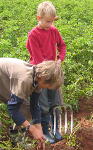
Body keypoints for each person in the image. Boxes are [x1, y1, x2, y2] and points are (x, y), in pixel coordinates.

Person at [0, 58, 64, 150]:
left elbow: (34, 106)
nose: (48, 88)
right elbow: (13, 109)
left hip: (2, 81)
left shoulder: (37, 78)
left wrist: (40, 132)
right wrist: (32, 130)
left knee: (26, 110)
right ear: (43, 77)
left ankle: (16, 142)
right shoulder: (24, 80)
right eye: (49, 85)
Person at [26, 1, 66, 144]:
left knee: (54, 102)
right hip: (40, 75)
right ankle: (45, 131)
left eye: (52, 21)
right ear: (39, 18)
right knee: (42, 105)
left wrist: (60, 60)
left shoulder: (54, 31)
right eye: (47, 21)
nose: (50, 24)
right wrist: (52, 70)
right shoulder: (33, 35)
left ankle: (55, 129)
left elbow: (62, 46)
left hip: (53, 73)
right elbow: (38, 60)